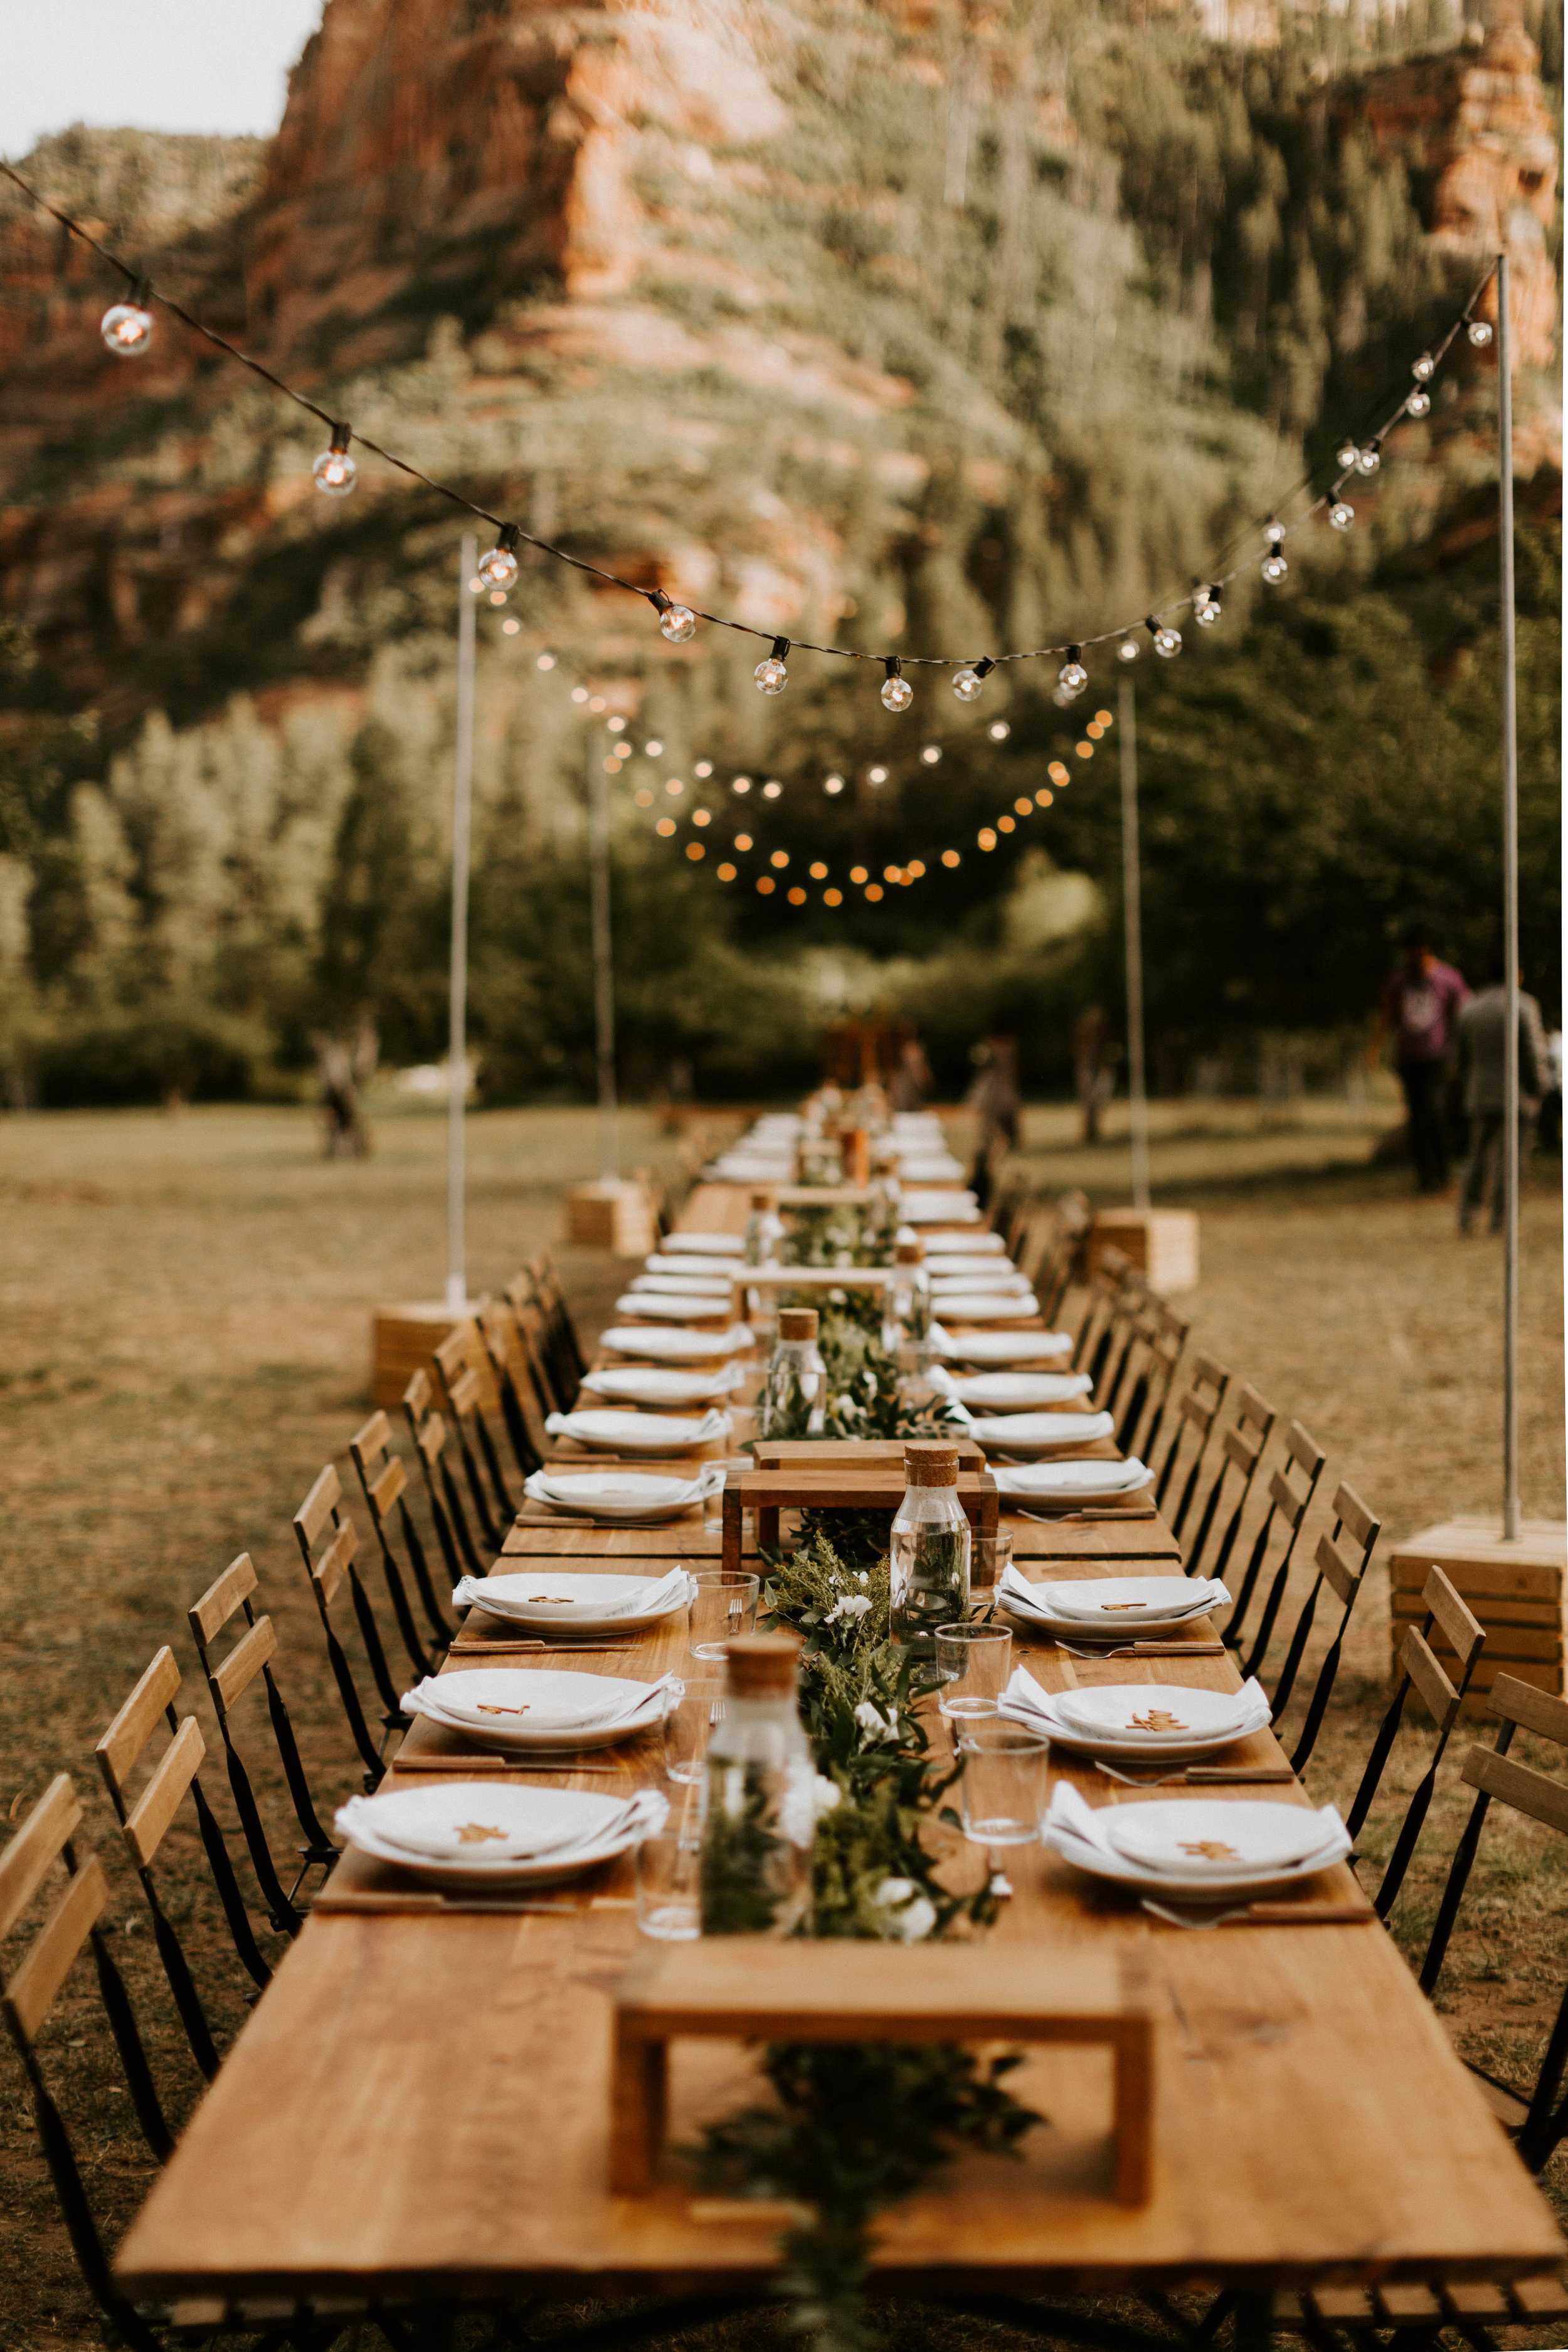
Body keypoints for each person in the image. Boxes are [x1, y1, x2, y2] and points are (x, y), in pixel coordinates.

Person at [1370, 928, 1470, 1194]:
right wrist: (1375, 1049)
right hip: (1409, 1058)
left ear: (1427, 951)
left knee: (1435, 1112)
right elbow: (1386, 1017)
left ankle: (1444, 1174)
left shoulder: (1448, 978)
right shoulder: (1399, 982)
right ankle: (1426, 1178)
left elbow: (1463, 1014)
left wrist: (1462, 1050)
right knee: (1417, 1118)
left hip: (1438, 1057)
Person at [1454, 973, 1547, 1234]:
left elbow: (1460, 1057)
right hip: (1515, 1094)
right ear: (1516, 974)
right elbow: (1532, 1052)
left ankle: (1468, 1214)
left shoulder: (1470, 1007)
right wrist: (1538, 1087)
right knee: (1511, 1159)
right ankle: (1501, 1217)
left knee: (1477, 1157)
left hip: (1480, 1093)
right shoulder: (1523, 1004)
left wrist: (1467, 1087)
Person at [967, 1029, 1019, 1205]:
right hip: (995, 1096)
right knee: (988, 1140)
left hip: (997, 1096)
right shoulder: (1005, 1050)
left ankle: (982, 1185)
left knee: (991, 1140)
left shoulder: (1001, 1051)